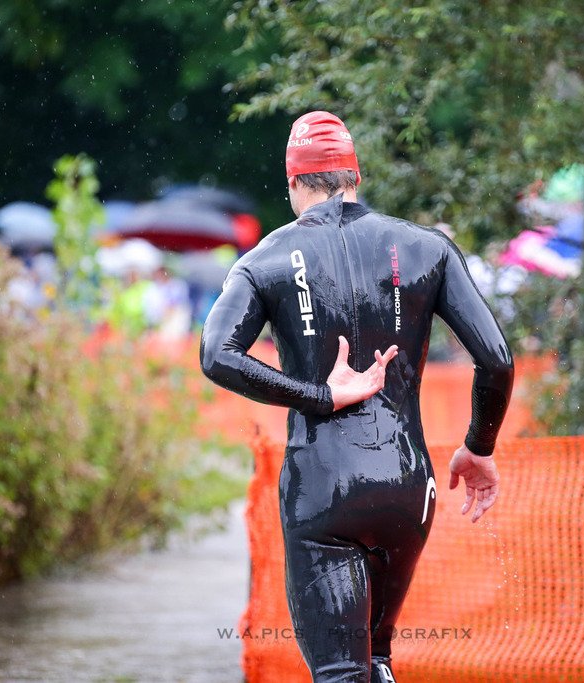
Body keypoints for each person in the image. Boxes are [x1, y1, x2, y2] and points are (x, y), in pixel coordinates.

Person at [200, 111, 514, 683]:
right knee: (376, 661)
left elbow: (217, 355)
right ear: (355, 178)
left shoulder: (264, 260)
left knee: (343, 674)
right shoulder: (428, 249)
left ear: (294, 182)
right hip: (407, 489)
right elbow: (496, 360)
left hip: (323, 492)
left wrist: (318, 395)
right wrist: (479, 445)